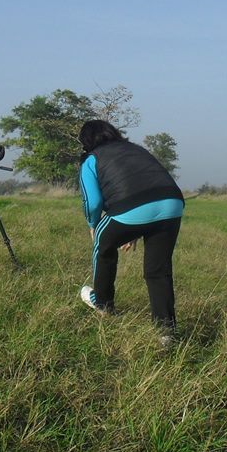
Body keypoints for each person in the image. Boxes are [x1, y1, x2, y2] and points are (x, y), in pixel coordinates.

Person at [77, 119, 184, 344]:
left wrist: (92, 225)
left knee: (102, 247)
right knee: (158, 270)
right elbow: (144, 185)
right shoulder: (136, 149)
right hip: (172, 203)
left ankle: (102, 304)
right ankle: (166, 333)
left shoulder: (91, 159)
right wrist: (136, 229)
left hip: (132, 209)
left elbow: (93, 202)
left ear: (86, 142)